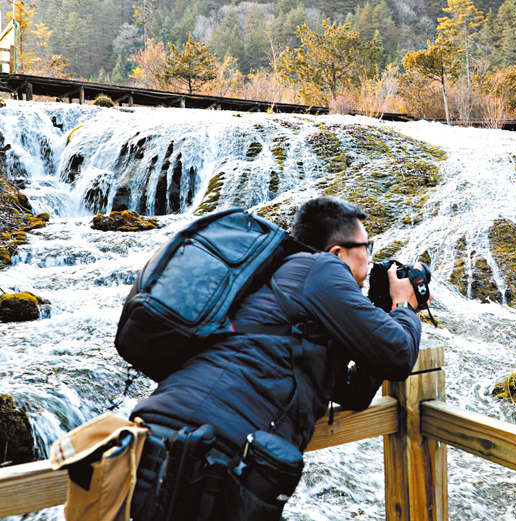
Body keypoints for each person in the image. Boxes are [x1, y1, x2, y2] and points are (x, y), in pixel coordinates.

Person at [130, 196, 424, 518]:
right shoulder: (320, 268)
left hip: (175, 431)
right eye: (367, 247)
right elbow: (399, 355)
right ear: (337, 253)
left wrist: (381, 310)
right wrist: (404, 306)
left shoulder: (293, 290)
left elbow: (352, 392)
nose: (370, 260)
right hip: (205, 443)